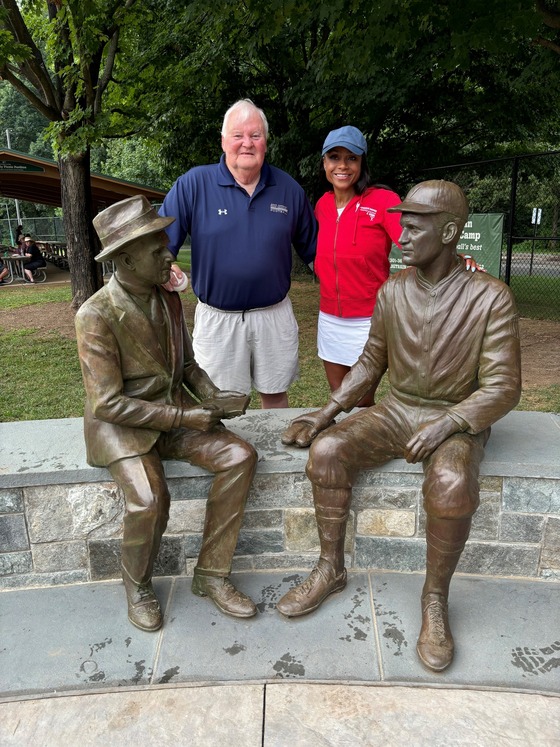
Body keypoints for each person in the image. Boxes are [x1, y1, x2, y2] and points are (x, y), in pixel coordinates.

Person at [278, 180, 521, 673]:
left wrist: (449, 424)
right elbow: (370, 364)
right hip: (398, 409)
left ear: (450, 231)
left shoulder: (491, 297)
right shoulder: (392, 291)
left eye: (414, 225)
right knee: (326, 451)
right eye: (401, 224)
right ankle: (331, 567)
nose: (401, 236)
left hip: (456, 417)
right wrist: (324, 415)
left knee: (452, 482)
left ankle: (434, 598)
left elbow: (503, 387)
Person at [75, 195, 259, 632]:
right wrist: (185, 418)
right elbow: (107, 403)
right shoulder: (95, 315)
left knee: (241, 457)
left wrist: (213, 398)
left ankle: (212, 575)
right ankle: (137, 585)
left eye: (165, 243)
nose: (168, 253)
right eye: (157, 248)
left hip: (175, 412)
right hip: (122, 426)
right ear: (125, 258)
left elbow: (188, 366)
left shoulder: (168, 298)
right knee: (150, 499)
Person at [158, 98, 317, 409]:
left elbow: (317, 253)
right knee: (223, 403)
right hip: (219, 320)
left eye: (255, 136)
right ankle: (233, 457)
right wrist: (169, 267)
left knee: (276, 396)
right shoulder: (193, 184)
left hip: (274, 315)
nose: (247, 143)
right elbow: (160, 247)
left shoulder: (288, 189)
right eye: (238, 135)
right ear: (223, 140)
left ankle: (275, 456)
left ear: (266, 143)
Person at [314, 126, 402, 405]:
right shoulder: (322, 205)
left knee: (362, 399)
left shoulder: (383, 201)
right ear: (324, 163)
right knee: (339, 396)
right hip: (330, 317)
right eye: (334, 157)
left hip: (369, 320)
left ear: (362, 163)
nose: (342, 165)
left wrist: (456, 257)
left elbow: (416, 241)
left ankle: (366, 444)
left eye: (351, 158)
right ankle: (343, 446)